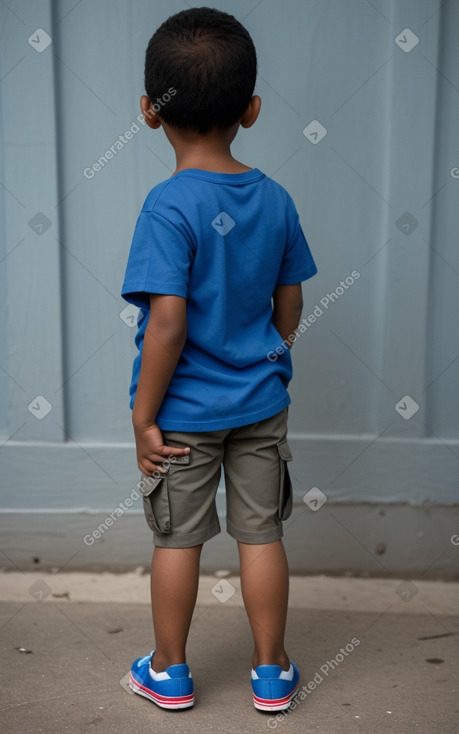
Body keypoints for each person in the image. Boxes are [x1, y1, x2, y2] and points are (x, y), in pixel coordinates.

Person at [121, 6, 318, 713]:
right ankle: (272, 672)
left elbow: (168, 324)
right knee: (261, 533)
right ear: (252, 109)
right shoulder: (274, 199)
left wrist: (145, 417)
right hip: (260, 402)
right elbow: (288, 301)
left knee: (179, 540)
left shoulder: (166, 207)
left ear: (149, 111)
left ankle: (168, 671)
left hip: (180, 417)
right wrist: (269, 352)